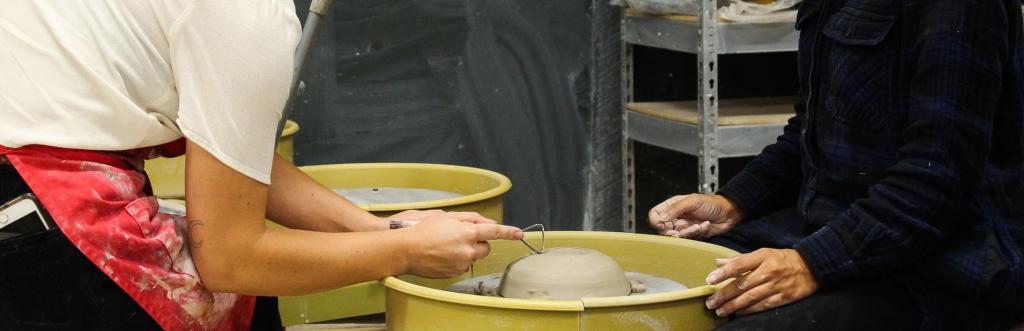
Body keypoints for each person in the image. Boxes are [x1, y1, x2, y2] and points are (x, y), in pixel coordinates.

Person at [0, 1, 523, 329]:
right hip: (35, 210)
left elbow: (232, 161)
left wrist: (379, 227)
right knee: (238, 296)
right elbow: (230, 257)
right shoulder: (246, 17)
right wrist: (403, 252)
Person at [649, 0, 1024, 330]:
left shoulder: (959, 7)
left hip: (942, 265)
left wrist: (811, 264)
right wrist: (733, 204)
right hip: (832, 232)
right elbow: (807, 133)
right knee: (655, 282)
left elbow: (936, 183)